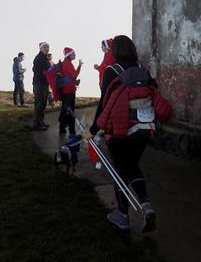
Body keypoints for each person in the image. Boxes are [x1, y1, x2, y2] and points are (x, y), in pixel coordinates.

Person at [90, 35, 156, 233]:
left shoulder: (112, 71)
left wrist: (93, 130)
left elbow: (104, 104)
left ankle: (123, 216)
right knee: (133, 167)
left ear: (115, 51)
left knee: (120, 172)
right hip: (143, 130)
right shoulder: (142, 71)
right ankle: (146, 206)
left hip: (119, 132)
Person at [58, 47, 82, 134]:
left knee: (65, 109)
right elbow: (74, 75)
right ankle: (72, 131)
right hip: (69, 90)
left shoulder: (65, 62)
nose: (75, 55)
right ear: (69, 55)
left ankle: (62, 128)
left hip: (65, 90)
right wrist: (79, 66)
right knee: (70, 110)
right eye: (73, 53)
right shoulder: (68, 64)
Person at [32, 42, 51, 131]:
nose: (47, 49)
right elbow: (36, 70)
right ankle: (37, 123)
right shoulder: (39, 58)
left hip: (44, 83)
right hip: (39, 84)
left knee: (43, 103)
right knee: (39, 103)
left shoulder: (45, 58)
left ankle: (41, 121)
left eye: (47, 47)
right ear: (40, 48)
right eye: (45, 47)